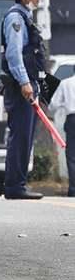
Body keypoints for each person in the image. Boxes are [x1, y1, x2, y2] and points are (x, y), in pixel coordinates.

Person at [0, 0, 46, 200]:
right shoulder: (16, 19)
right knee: (20, 135)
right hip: (22, 88)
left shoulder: (25, 18)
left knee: (25, 136)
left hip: (28, 85)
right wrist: (25, 82)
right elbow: (13, 54)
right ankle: (15, 186)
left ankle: (18, 184)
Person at [50, 64, 75, 196]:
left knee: (72, 156)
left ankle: (73, 189)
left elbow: (54, 104)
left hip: (72, 119)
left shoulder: (66, 83)